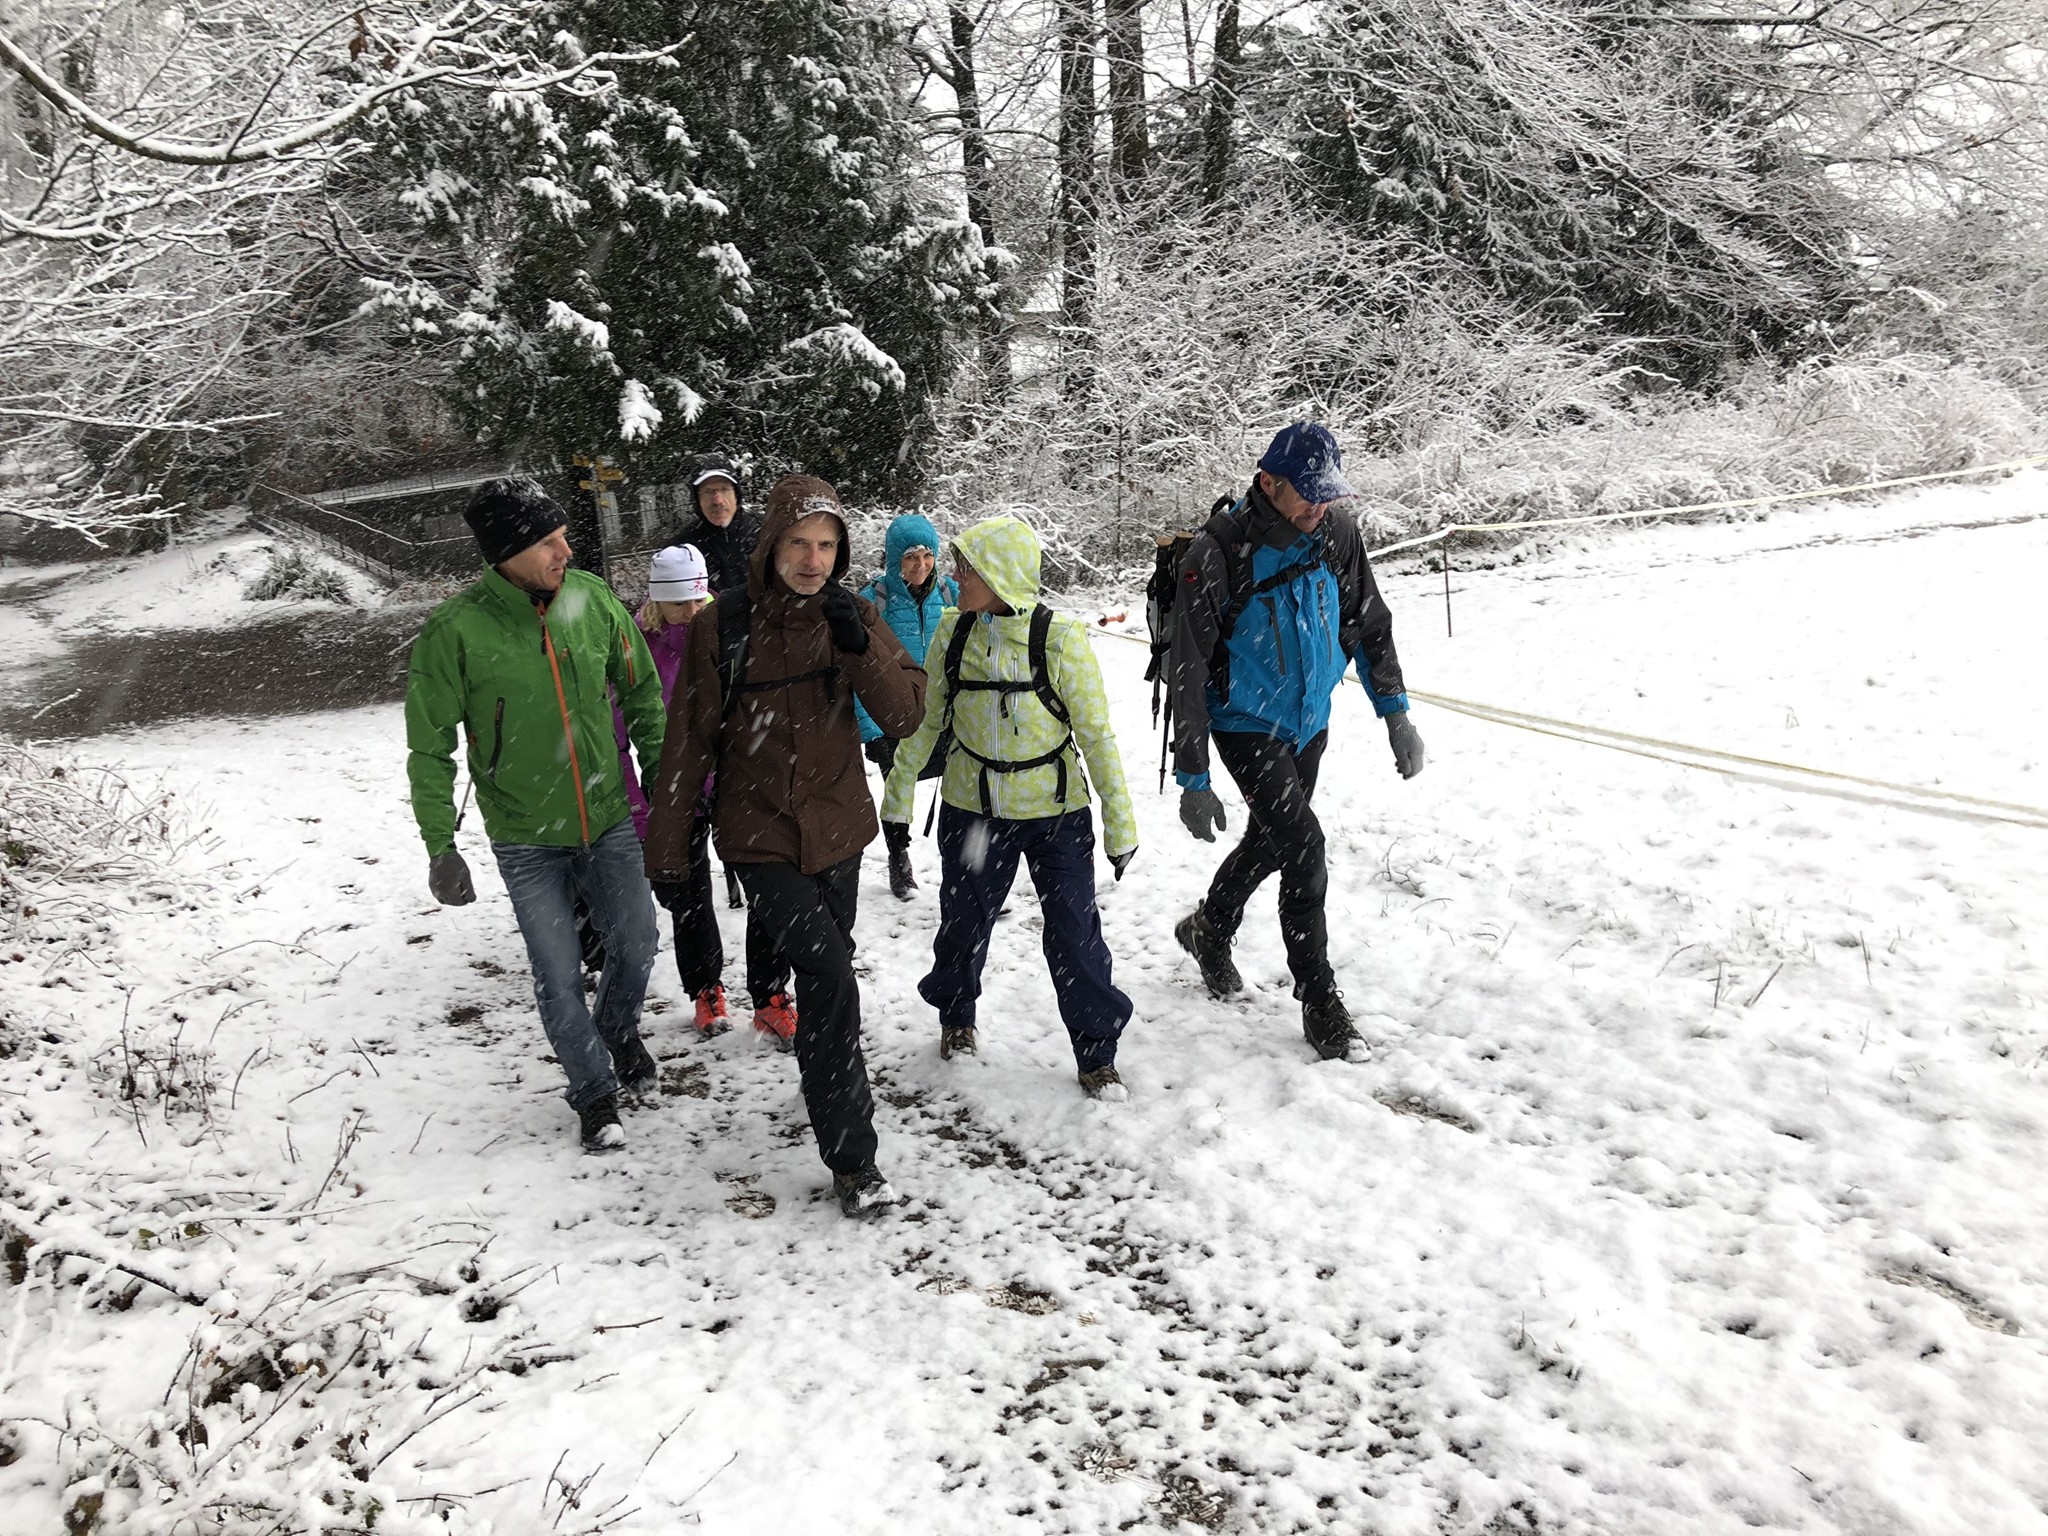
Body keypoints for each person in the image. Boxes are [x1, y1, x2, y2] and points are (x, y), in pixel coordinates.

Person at [643, 475, 926, 1217]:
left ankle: (825, 1086)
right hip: (760, 835)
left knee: (828, 985)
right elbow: (688, 742)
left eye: (828, 545)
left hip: (839, 830)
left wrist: (860, 645)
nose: (813, 559)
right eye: (800, 543)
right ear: (771, 544)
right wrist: (669, 852)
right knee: (831, 979)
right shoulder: (724, 625)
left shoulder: (853, 613)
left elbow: (903, 714)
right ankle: (854, 1159)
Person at [405, 479, 666, 1152]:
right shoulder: (455, 631)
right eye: (548, 541)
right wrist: (440, 843)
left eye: (562, 537)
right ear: (507, 552)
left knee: (636, 941)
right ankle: (593, 1093)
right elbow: (429, 748)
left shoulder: (591, 600)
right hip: (526, 837)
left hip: (607, 814)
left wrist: (664, 780)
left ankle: (616, 1028)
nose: (565, 550)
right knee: (556, 972)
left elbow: (641, 688)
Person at [1167, 422, 1426, 1062]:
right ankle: (1320, 1001)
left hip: (1310, 718)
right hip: (1245, 723)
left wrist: (1394, 711)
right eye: (1308, 496)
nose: (1320, 507)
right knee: (1304, 847)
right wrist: (1194, 777)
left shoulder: (1336, 532)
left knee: (1270, 840)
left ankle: (1209, 928)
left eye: (1327, 494)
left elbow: (1368, 619)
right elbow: (1190, 670)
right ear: (1268, 484)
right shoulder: (1217, 554)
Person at [881, 516, 1138, 1100]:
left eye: (967, 568)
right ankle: (956, 1017)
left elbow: (1097, 736)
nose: (956, 576)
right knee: (963, 923)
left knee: (1074, 933)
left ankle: (1097, 1053)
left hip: (1056, 813)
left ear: (1000, 575)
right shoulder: (954, 632)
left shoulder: (1061, 640)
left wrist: (1120, 822)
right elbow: (928, 725)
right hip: (974, 812)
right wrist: (898, 797)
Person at [611, 545, 789, 1039]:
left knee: (769, 889)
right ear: (657, 602)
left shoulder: (730, 630)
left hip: (737, 783)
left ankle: (771, 993)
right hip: (673, 789)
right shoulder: (636, 647)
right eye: (680, 605)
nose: (692, 613)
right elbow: (619, 737)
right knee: (689, 898)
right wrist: (645, 813)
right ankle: (707, 989)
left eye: (699, 600)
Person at [855, 513, 958, 899]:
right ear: (894, 558)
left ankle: (962, 866)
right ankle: (899, 861)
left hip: (946, 717)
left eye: (927, 555)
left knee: (961, 797)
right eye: (910, 556)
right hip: (894, 718)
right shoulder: (873, 602)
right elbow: (858, 673)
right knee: (897, 795)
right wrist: (871, 729)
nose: (920, 565)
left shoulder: (952, 595)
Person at [675, 452, 759, 915]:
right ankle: (727, 866)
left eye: (724, 490)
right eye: (708, 493)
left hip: (761, 660)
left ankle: (748, 858)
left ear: (736, 494)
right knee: (714, 767)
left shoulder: (761, 533)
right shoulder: (685, 547)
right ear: (697, 500)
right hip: (711, 664)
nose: (718, 500)